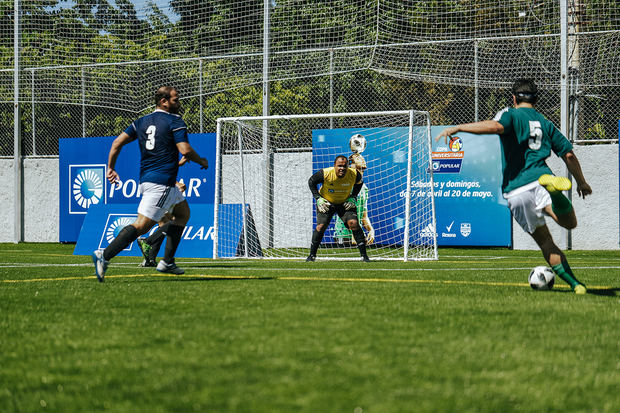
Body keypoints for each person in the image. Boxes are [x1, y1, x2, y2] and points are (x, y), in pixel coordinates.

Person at [435, 78, 592, 294]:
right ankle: (554, 194)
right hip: (541, 179)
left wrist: (460, 127)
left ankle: (577, 285)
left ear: (514, 97)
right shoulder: (545, 123)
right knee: (569, 223)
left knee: (546, 242)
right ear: (536, 99)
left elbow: (496, 126)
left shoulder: (509, 113)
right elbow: (569, 154)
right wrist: (581, 182)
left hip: (517, 188)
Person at [91, 86, 209, 282]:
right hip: (161, 183)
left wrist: (110, 168)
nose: (179, 103)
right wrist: (202, 161)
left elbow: (116, 144)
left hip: (151, 180)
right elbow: (185, 150)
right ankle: (104, 255)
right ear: (164, 102)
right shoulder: (174, 121)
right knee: (141, 226)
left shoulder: (141, 122)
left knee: (182, 214)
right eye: (175, 100)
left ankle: (168, 262)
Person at [307, 155, 370, 262]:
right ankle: (312, 256)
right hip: (327, 203)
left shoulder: (354, 174)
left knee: (353, 223)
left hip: (344, 203)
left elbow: (360, 183)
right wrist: (318, 198)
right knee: (321, 226)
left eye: (344, 166)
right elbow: (311, 181)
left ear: (347, 167)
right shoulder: (325, 173)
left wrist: (353, 197)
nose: (342, 168)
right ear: (334, 166)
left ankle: (364, 256)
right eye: (339, 166)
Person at [334, 153, 375, 246]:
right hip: (343, 237)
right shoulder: (344, 185)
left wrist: (371, 230)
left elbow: (364, 216)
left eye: (362, 170)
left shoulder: (364, 188)